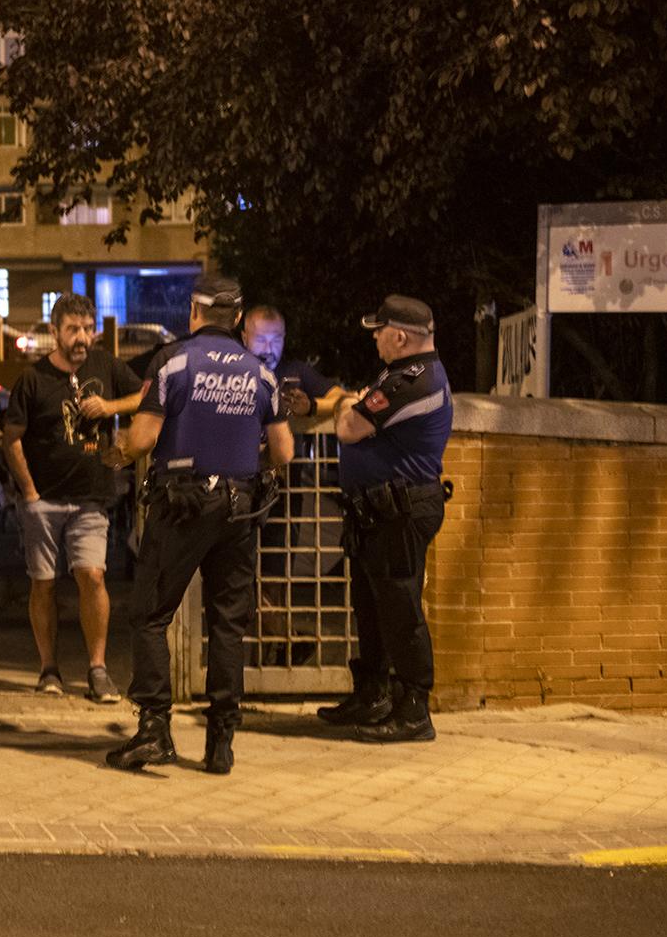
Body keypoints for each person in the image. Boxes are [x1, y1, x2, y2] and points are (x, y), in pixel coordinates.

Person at [102, 273, 293, 775]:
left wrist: (114, 453)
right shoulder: (260, 373)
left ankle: (154, 731)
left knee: (149, 615)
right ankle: (220, 744)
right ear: (235, 318)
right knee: (228, 624)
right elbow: (284, 452)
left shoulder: (175, 362)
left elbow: (142, 440)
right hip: (241, 509)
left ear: (193, 312)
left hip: (182, 505)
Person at [323, 294, 454, 743]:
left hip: (400, 510)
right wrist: (354, 400)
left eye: (378, 331)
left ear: (399, 336)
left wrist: (345, 402)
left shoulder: (414, 380)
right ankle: (373, 693)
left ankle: (414, 708)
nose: (375, 338)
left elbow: (350, 426)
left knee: (400, 608)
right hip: (378, 510)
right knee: (372, 605)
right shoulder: (398, 375)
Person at [1, 293, 141, 702]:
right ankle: (49, 669)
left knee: (92, 576)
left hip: (91, 497)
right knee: (43, 583)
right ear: (54, 332)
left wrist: (111, 406)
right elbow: (12, 439)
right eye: (72, 330)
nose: (82, 338)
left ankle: (97, 670)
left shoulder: (108, 367)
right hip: (43, 499)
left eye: (87, 329)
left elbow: (147, 396)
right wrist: (29, 491)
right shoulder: (33, 380)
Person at [241, 304, 346, 667]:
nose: (270, 347)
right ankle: (288, 640)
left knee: (275, 574)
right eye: (262, 338)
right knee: (242, 574)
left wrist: (311, 405)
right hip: (241, 486)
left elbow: (342, 398)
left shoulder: (296, 372)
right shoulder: (236, 368)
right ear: (244, 336)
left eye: (277, 339)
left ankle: (273, 651)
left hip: (287, 493)